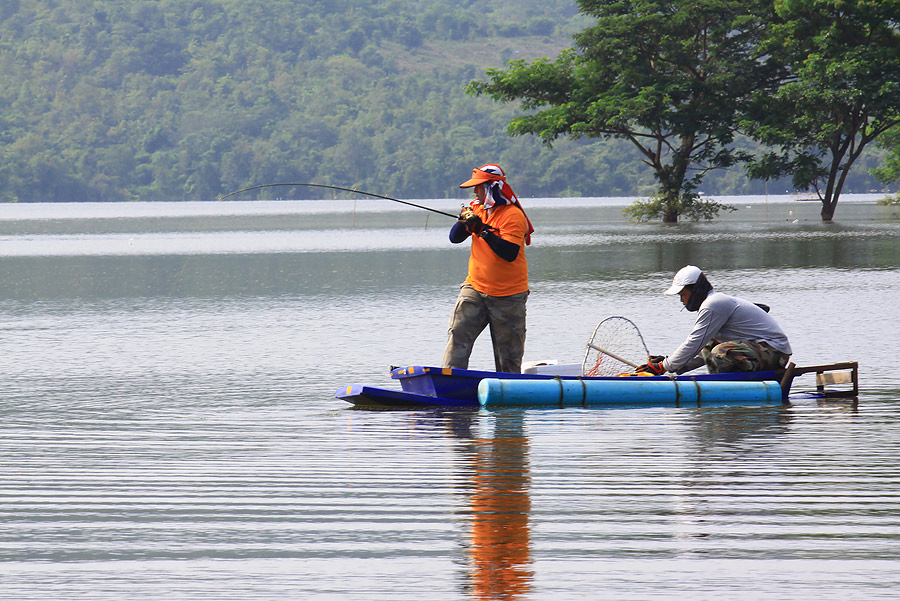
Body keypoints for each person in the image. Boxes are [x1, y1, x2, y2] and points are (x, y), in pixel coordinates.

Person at [441, 164, 534, 373]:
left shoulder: (513, 215)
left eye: (479, 187)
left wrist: (483, 230)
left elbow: (509, 253)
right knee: (458, 333)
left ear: (492, 188)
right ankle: (450, 380)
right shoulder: (476, 209)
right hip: (475, 287)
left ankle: (507, 392)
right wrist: (463, 221)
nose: (475, 192)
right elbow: (454, 238)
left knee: (508, 356)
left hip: (509, 295)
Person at [635, 265, 792, 375]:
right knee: (712, 346)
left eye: (683, 295)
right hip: (762, 351)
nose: (682, 300)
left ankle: (745, 385)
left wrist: (664, 366)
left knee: (719, 353)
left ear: (695, 290)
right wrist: (669, 364)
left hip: (774, 352)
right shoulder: (714, 303)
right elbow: (702, 349)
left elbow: (694, 341)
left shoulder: (713, 304)